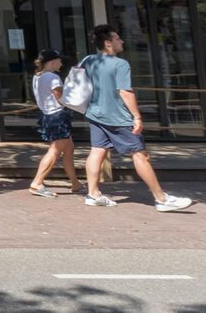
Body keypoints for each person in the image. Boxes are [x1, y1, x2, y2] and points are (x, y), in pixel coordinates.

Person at [81, 24, 194, 212]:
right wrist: (137, 116)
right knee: (140, 155)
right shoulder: (120, 64)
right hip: (118, 116)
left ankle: (93, 194)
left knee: (97, 151)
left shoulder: (90, 61)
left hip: (95, 113)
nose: (121, 41)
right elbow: (125, 92)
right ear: (108, 43)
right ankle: (161, 199)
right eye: (117, 38)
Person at [26, 49, 80, 197]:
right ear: (52, 62)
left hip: (48, 115)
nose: (61, 63)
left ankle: (75, 183)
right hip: (58, 116)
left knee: (68, 149)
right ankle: (37, 182)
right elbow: (61, 98)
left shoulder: (37, 76)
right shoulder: (53, 77)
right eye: (59, 60)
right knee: (55, 151)